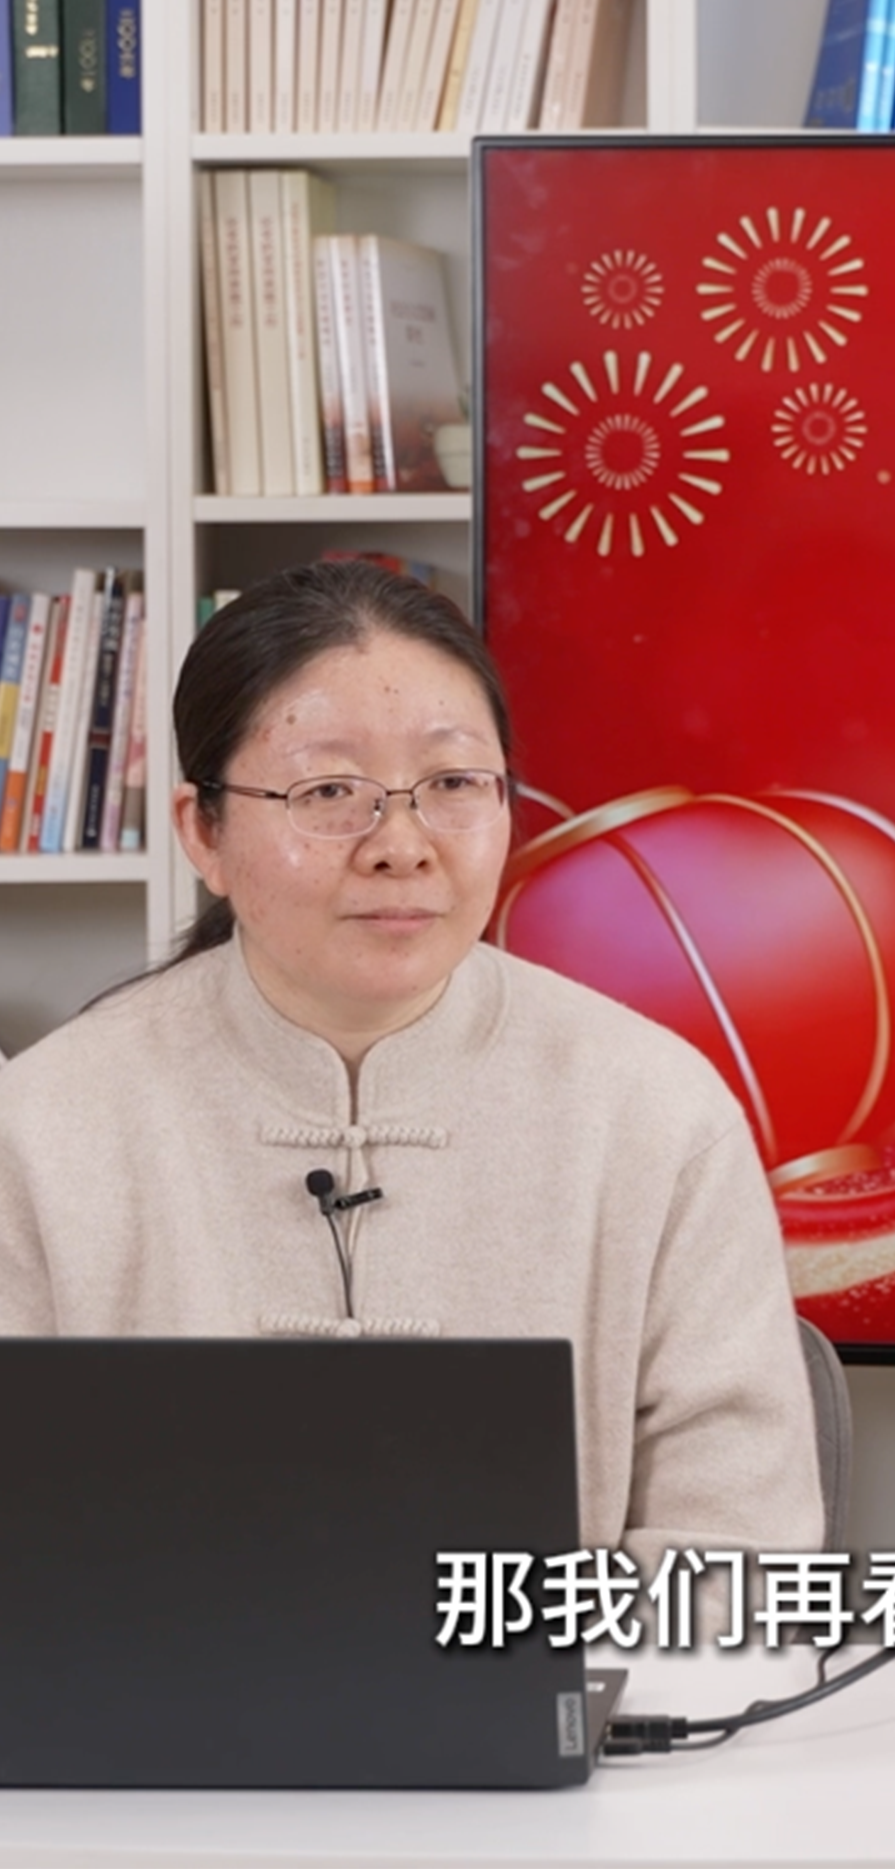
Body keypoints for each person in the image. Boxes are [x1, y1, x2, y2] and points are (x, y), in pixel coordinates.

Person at [0, 561, 824, 1579]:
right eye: (328, 791)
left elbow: (741, 1564)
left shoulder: (657, 1111)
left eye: (453, 785)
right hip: (143, 1685)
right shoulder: (45, 1126)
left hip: (577, 1682)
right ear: (203, 832)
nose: (402, 844)